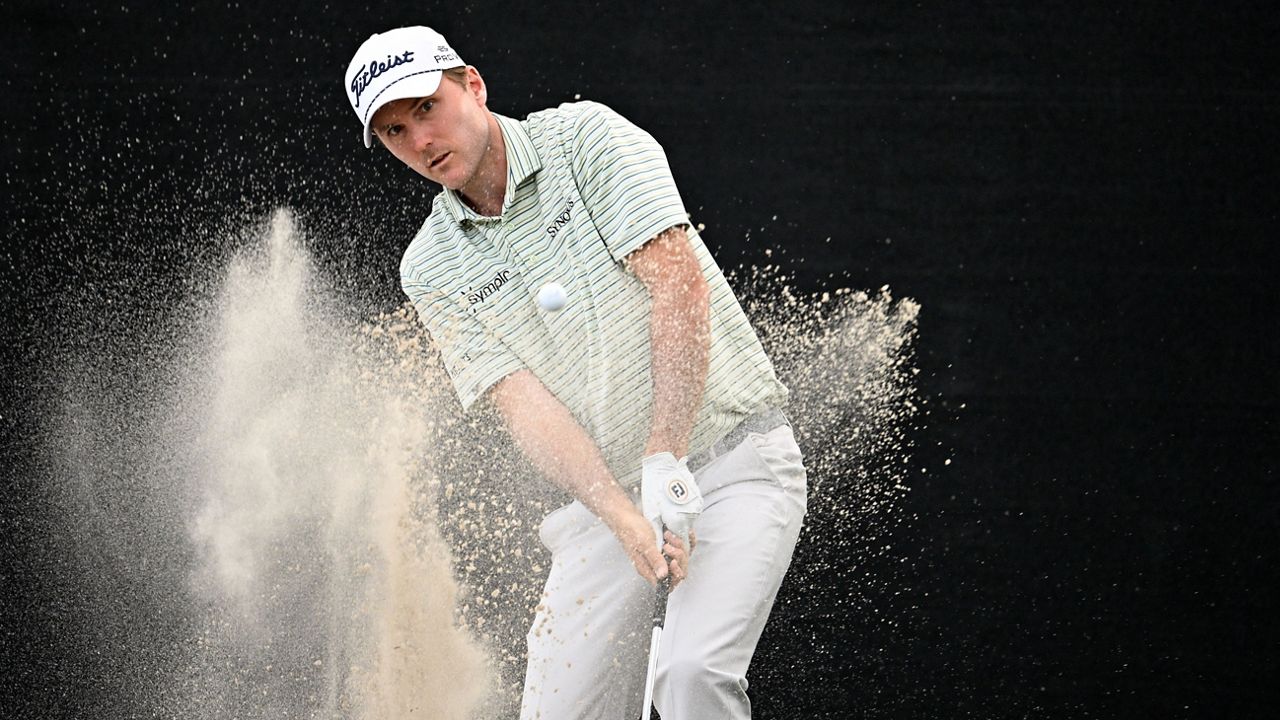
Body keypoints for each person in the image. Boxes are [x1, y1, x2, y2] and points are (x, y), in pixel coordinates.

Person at [344, 26, 809, 720]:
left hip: (735, 465)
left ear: (472, 84)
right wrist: (622, 515)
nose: (420, 140)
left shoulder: (587, 138)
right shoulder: (429, 266)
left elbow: (678, 286)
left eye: (426, 108)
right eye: (393, 131)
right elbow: (524, 405)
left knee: (688, 677)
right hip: (602, 509)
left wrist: (664, 454)